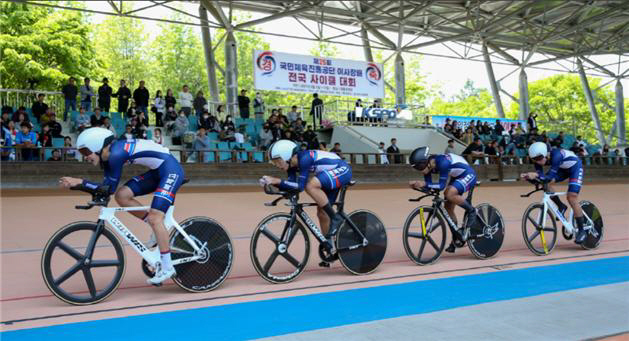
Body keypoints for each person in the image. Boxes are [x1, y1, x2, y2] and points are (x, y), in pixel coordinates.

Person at [59, 127, 185, 285]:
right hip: (158, 170)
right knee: (122, 195)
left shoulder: (115, 155)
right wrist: (79, 185)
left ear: (99, 146)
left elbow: (107, 190)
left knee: (155, 218)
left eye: (86, 152)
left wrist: (80, 182)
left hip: (171, 170)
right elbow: (106, 190)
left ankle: (168, 267)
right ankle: (159, 230)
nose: (85, 157)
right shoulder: (108, 155)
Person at [260, 140, 352, 256]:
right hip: (329, 173)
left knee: (310, 186)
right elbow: (292, 187)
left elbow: (300, 187)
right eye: (274, 163)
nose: (277, 165)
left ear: (287, 156)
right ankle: (330, 248)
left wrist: (276, 180)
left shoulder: (304, 159)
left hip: (342, 169)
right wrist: (273, 184)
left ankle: (336, 218)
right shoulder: (292, 166)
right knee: (322, 213)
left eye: (277, 161)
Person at [408, 146, 478, 253]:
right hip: (456, 176)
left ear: (425, 163)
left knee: (449, 193)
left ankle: (472, 210)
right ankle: (456, 239)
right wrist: (418, 186)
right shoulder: (428, 166)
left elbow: (441, 186)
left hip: (468, 174)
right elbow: (430, 187)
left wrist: (424, 183)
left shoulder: (442, 162)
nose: (419, 170)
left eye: (419, 167)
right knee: (448, 208)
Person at [520, 142, 587, 244]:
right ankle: (561, 206)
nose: (537, 161)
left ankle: (582, 231)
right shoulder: (538, 159)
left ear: (546, 153)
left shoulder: (556, 156)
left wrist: (536, 176)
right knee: (546, 184)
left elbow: (549, 177)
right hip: (562, 169)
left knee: (571, 197)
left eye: (539, 158)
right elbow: (542, 178)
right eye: (534, 159)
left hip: (575, 168)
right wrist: (529, 177)